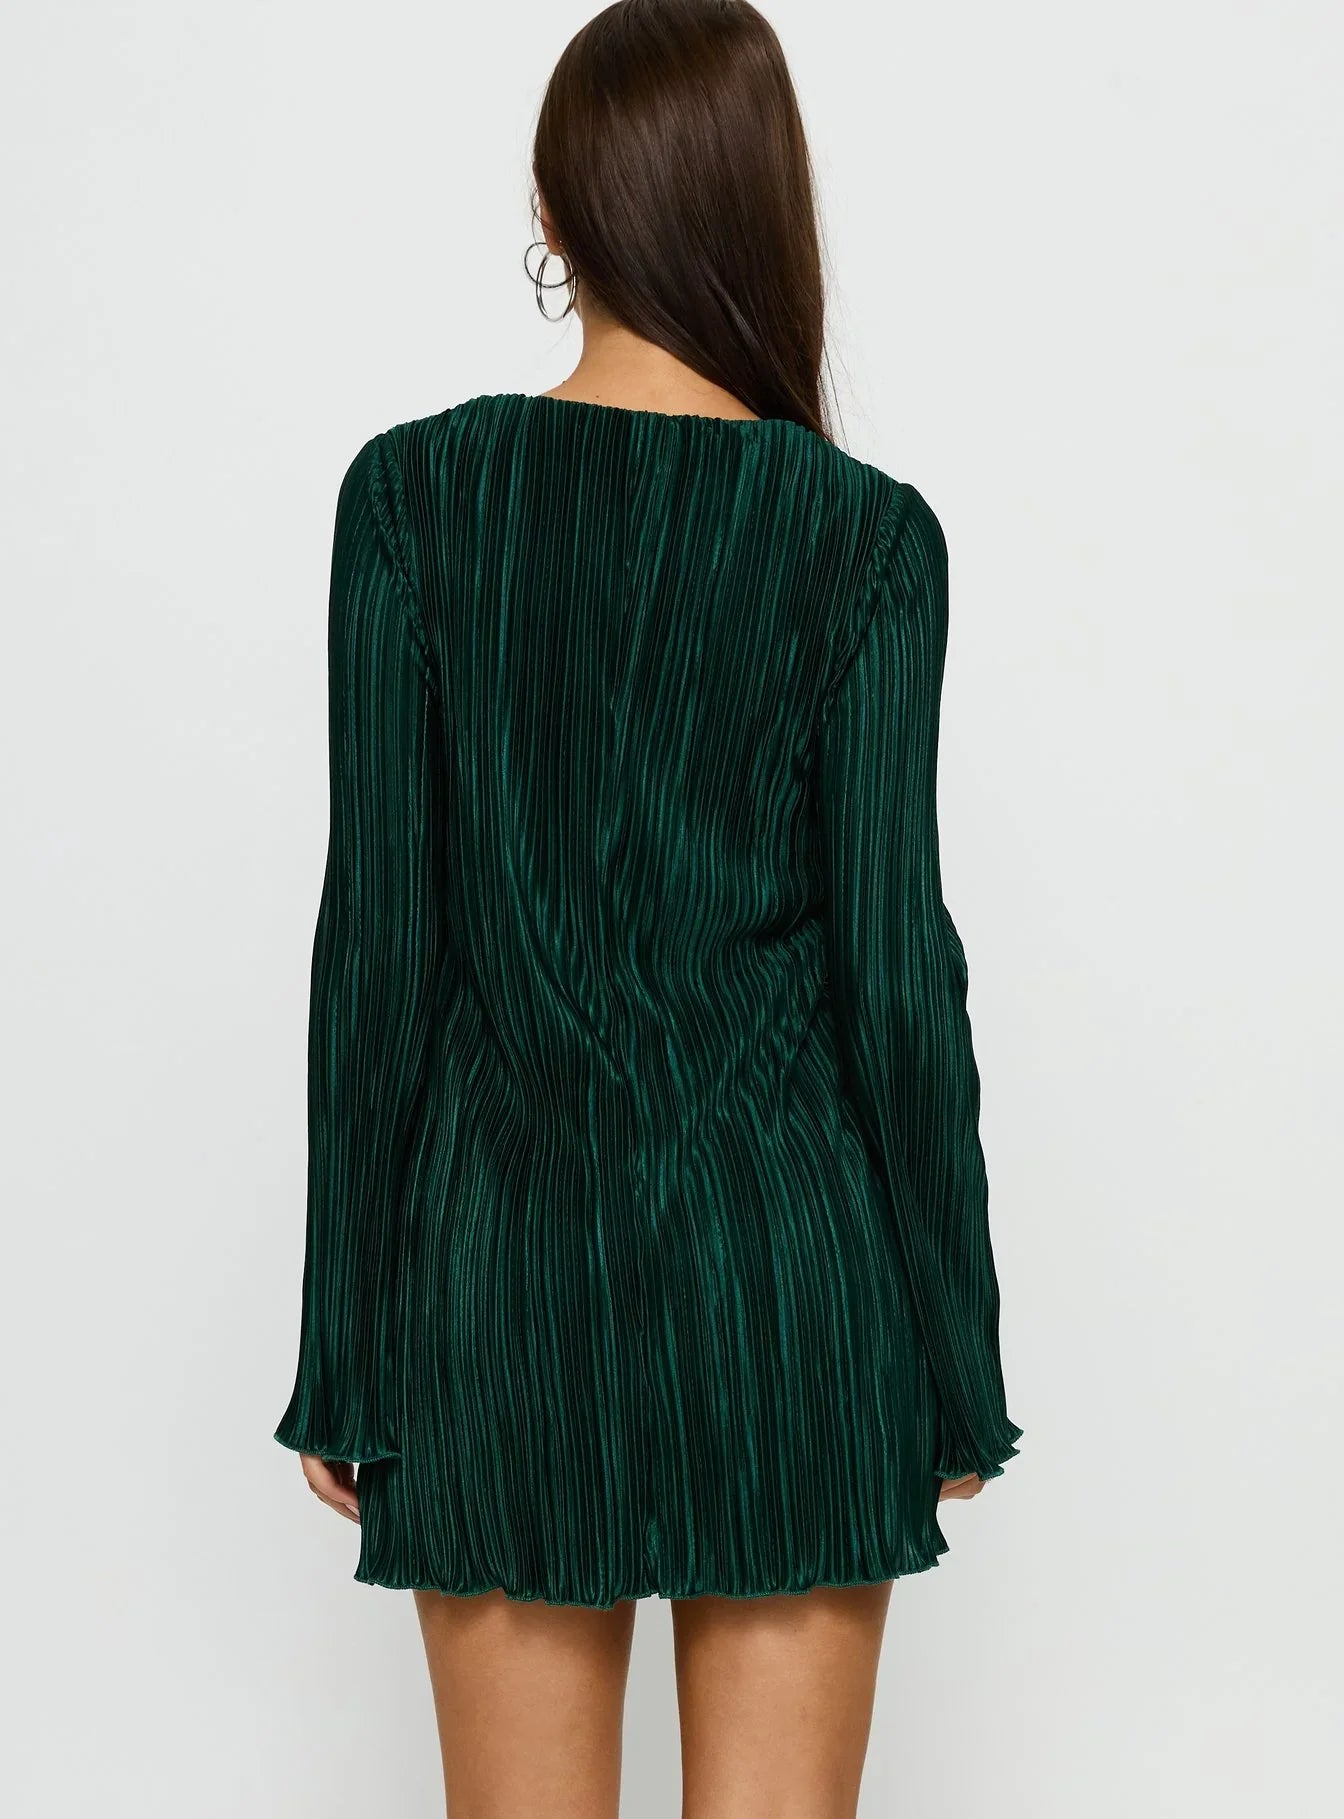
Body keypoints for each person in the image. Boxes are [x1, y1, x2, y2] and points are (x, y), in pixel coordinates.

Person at [273, 2, 1023, 1812]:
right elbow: (896, 977)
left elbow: (378, 957)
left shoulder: (414, 501)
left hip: (502, 1291)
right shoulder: (865, 539)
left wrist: (344, 1352)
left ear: (554, 208)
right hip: (788, 1284)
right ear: (769, 207)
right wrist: (956, 1358)